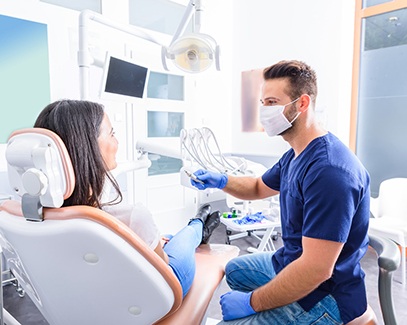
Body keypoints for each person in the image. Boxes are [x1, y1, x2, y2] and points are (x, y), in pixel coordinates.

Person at [190, 60, 371, 324]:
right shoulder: (295, 155)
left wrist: (253, 302)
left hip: (325, 295)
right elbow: (257, 187)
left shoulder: (330, 171)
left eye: (272, 102)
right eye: (263, 103)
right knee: (234, 271)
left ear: (302, 104)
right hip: (292, 260)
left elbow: (316, 270)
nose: (264, 112)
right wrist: (221, 181)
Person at [33, 99, 220, 298]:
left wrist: (152, 240)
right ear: (88, 147)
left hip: (86, 298)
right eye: (112, 133)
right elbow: (163, 269)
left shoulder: (35, 215)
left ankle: (180, 233)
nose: (117, 141)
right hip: (155, 297)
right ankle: (198, 225)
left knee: (168, 238)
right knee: (186, 239)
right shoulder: (131, 216)